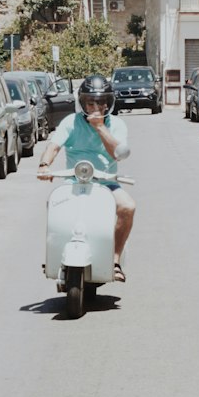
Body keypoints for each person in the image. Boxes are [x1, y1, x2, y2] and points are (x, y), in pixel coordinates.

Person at [37, 74, 134, 282]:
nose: (96, 107)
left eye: (100, 102)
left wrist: (100, 127)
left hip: (106, 183)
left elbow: (117, 153)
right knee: (52, 204)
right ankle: (54, 255)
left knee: (127, 207)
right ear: (83, 103)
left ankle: (114, 259)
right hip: (75, 183)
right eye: (91, 102)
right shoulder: (70, 122)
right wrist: (45, 165)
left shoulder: (116, 124)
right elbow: (53, 146)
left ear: (108, 103)